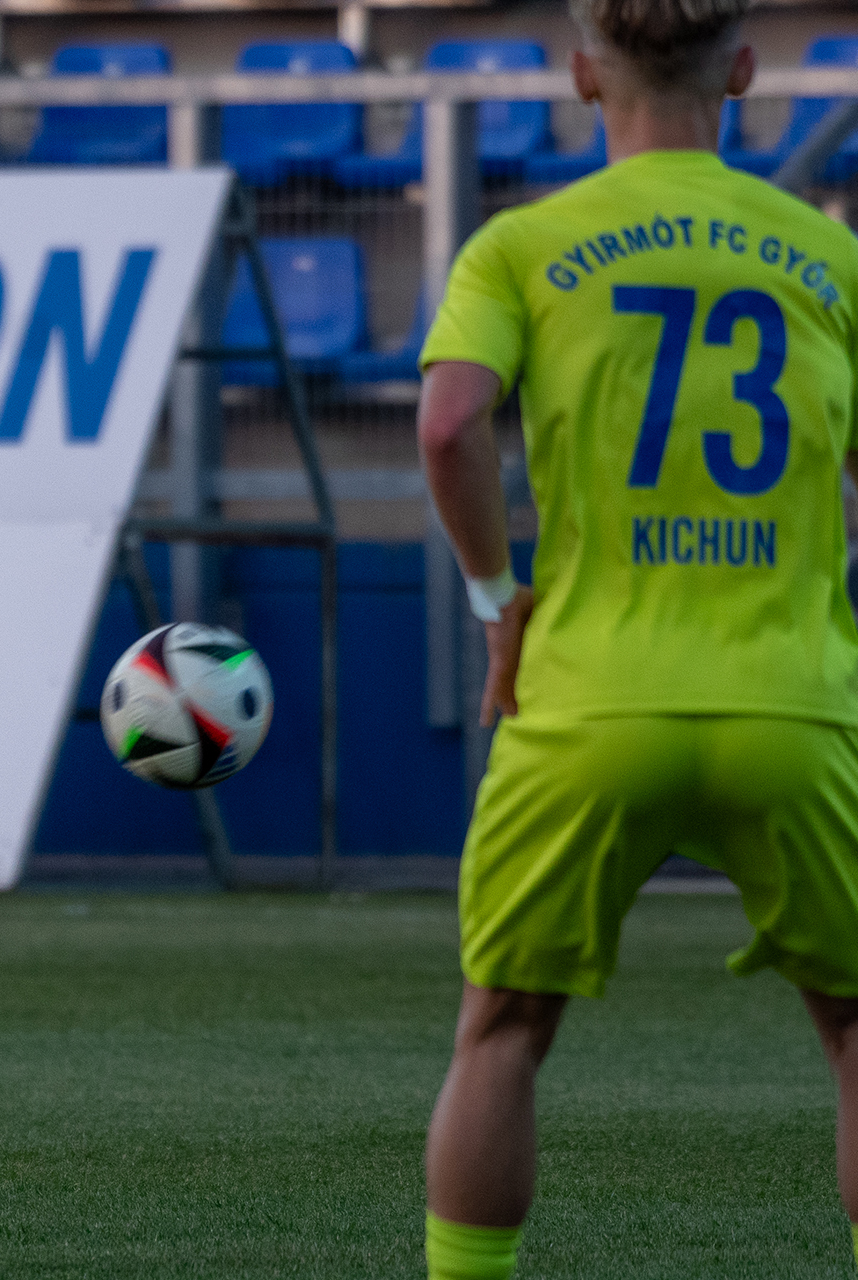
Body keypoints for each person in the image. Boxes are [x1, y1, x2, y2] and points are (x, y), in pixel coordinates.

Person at [415, 1, 858, 1275]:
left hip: (588, 698)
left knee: (503, 1031)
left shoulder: (522, 244)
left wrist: (498, 602)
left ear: (580, 77)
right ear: (745, 71)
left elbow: (448, 424)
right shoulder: (825, 252)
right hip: (792, 697)